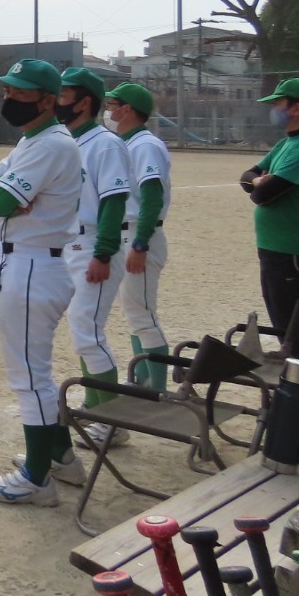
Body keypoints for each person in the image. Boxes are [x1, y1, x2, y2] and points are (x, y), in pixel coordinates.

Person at [0, 59, 86, 507]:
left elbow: (0, 199)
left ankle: (36, 479)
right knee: (35, 372)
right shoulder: (34, 138)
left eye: (20, 93)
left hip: (33, 268)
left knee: (29, 379)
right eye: (8, 91)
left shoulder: (51, 144)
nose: (9, 98)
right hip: (29, 265)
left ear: (47, 100)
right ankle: (60, 455)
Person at [56, 67, 132, 451]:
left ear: (84, 101)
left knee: (88, 330)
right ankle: (96, 405)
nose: (57, 101)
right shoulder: (69, 140)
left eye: (64, 94)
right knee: (82, 329)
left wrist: (103, 253)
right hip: (73, 245)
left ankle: (114, 422)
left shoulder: (106, 143)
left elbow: (114, 201)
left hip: (95, 247)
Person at [240, 78, 299, 335]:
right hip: (275, 250)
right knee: (287, 332)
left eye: (279, 103)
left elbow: (263, 195)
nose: (274, 109)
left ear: (296, 109)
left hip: (295, 255)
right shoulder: (286, 144)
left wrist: (258, 184)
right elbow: (247, 177)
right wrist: (258, 179)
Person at [104, 82, 173, 391]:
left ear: (127, 110)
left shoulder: (145, 144)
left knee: (143, 315)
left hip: (139, 236)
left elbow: (152, 197)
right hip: (126, 236)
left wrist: (140, 243)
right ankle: (144, 382)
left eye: (112, 104)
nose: (108, 110)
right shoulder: (126, 143)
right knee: (135, 314)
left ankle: (156, 390)